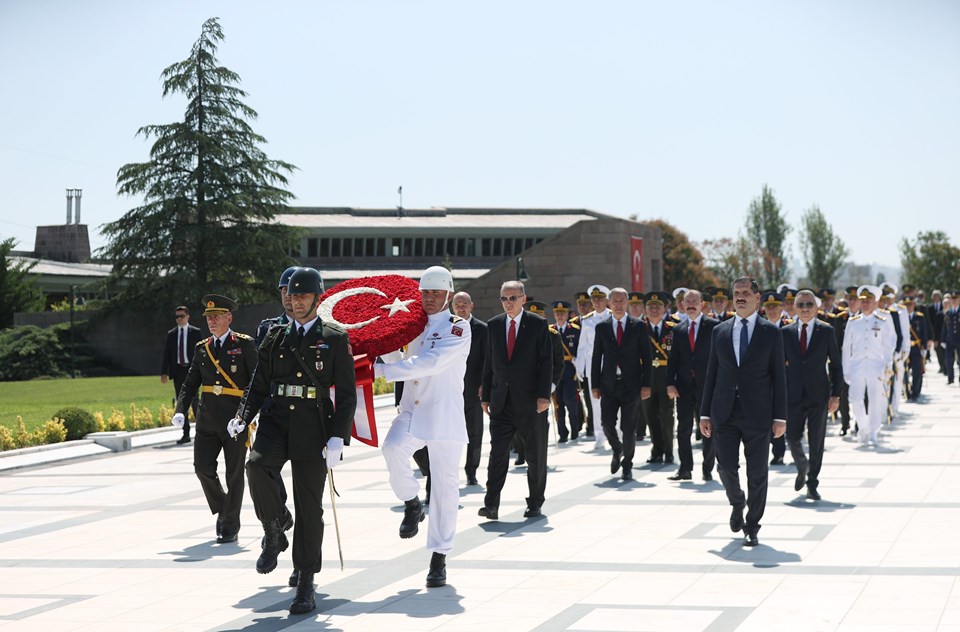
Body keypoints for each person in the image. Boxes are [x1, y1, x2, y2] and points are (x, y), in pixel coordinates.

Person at [231, 267, 356, 615]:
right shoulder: (274, 336)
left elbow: (346, 395)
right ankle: (274, 527)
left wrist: (337, 437)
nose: (295, 301)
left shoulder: (334, 337)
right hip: (275, 421)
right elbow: (258, 385)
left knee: (310, 507)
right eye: (291, 295)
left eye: (302, 296)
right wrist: (242, 416)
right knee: (256, 467)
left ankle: (305, 580)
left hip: (313, 426)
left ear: (317, 298)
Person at [376, 266, 472, 588]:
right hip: (413, 411)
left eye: (435, 293)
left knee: (445, 489)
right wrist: (379, 345)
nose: (429, 298)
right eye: (425, 293)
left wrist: (384, 373)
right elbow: (394, 354)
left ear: (448, 294)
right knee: (391, 449)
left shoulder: (459, 328)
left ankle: (439, 557)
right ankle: (412, 501)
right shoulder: (411, 325)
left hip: (443, 416)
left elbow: (431, 363)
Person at [699, 276, 787, 547]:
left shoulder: (771, 332)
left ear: (757, 298)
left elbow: (779, 377)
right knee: (725, 466)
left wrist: (780, 417)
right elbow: (711, 374)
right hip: (723, 410)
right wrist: (704, 413)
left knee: (757, 472)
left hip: (758, 413)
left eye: (746, 293)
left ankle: (752, 524)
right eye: (736, 293)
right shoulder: (720, 331)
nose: (740, 297)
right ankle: (737, 501)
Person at [171, 295, 257, 543]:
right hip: (207, 420)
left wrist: (244, 415)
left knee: (234, 474)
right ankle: (224, 507)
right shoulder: (202, 348)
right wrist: (180, 409)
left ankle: (230, 524)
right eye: (209, 317)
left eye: (217, 316)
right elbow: (190, 383)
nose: (212, 321)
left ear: (229, 317)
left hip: (234, 422)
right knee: (202, 468)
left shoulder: (244, 344)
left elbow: (255, 382)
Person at [479, 280, 553, 520]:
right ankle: (491, 505)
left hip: (531, 403)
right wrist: (487, 396)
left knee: (535, 456)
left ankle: (535, 502)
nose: (508, 303)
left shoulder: (538, 324)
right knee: (497, 455)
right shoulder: (494, 325)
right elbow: (489, 363)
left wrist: (544, 396)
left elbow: (546, 362)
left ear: (523, 299)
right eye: (504, 298)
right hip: (501, 403)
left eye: (512, 298)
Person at [781, 289, 843, 501]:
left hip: (819, 394)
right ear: (794, 308)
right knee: (792, 436)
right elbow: (778, 367)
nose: (804, 309)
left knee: (817, 441)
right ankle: (802, 466)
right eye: (800, 305)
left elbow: (836, 365)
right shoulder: (785, 332)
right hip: (793, 394)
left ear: (816, 308)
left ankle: (812, 482)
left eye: (808, 305)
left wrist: (836, 395)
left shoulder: (826, 331)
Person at [591, 287, 651, 480]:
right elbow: (596, 357)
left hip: (631, 384)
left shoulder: (638, 326)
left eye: (621, 301)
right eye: (614, 301)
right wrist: (595, 385)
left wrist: (646, 384)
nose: (618, 304)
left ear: (627, 303)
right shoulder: (602, 327)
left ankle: (627, 464)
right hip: (608, 384)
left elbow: (646, 358)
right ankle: (617, 449)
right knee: (607, 423)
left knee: (629, 427)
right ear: (609, 303)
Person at [666, 289, 718, 482]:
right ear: (682, 305)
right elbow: (673, 359)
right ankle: (685, 469)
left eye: (695, 301)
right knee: (683, 429)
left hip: (707, 387)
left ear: (702, 304)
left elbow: (719, 358)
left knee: (707, 429)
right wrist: (670, 383)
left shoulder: (714, 326)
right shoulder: (679, 329)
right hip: (684, 387)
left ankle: (708, 468)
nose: (691, 304)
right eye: (687, 301)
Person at [842, 285, 896, 447]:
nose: (865, 304)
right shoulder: (853, 323)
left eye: (869, 301)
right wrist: (846, 370)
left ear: (875, 303)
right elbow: (846, 348)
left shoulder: (883, 321)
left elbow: (888, 346)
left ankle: (873, 431)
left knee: (875, 400)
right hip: (857, 366)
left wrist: (888, 366)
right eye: (863, 301)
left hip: (876, 366)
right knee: (855, 399)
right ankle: (864, 427)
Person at [451, 291, 488, 486]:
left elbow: (487, 360)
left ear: (471, 305)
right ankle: (449, 471)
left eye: (464, 304)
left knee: (475, 432)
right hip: (450, 390)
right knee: (448, 433)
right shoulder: (447, 327)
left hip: (473, 389)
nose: (461, 308)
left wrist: (484, 384)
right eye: (457, 304)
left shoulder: (482, 329)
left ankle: (471, 471)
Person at [640, 291, 676, 465]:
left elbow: (677, 357)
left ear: (665, 309)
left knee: (667, 416)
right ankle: (656, 450)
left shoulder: (673, 328)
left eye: (658, 306)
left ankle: (669, 451)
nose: (654, 309)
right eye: (650, 306)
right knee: (651, 416)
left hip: (666, 378)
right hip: (646, 379)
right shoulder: (638, 328)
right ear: (645, 309)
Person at [575, 285, 612, 449]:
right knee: (595, 401)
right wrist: (580, 367)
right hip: (593, 366)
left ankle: (615, 431)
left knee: (613, 399)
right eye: (594, 299)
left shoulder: (613, 317)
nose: (597, 302)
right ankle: (600, 435)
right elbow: (582, 346)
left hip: (611, 365)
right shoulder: (587, 320)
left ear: (606, 300)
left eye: (600, 299)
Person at [161, 305, 202, 444]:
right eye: (177, 317)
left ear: (187, 316)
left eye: (181, 316)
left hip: (192, 371)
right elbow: (167, 353)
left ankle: (202, 431)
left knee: (195, 400)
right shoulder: (171, 334)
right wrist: (164, 372)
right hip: (178, 371)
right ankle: (185, 434)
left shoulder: (195, 332)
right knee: (181, 402)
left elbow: (202, 353)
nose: (179, 319)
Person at [551, 300, 583, 442]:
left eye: (562, 313)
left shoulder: (575, 330)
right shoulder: (549, 330)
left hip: (570, 370)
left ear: (567, 314)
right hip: (555, 372)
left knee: (570, 401)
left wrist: (579, 361)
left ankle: (575, 429)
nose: (560, 316)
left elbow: (581, 348)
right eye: (557, 313)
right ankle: (562, 433)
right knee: (558, 404)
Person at [903, 296, 928, 401]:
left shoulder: (920, 317)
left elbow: (924, 333)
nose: (909, 307)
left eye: (910, 304)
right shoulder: (901, 317)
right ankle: (906, 392)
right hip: (905, 348)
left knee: (917, 371)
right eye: (906, 305)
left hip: (916, 348)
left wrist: (924, 347)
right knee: (904, 372)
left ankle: (916, 392)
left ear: (914, 305)